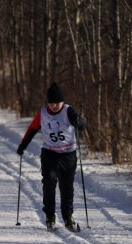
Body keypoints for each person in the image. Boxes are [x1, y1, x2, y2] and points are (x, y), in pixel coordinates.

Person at [16, 82, 86, 232]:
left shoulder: (68, 111)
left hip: (68, 155)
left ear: (63, 101)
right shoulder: (42, 113)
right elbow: (32, 129)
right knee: (49, 182)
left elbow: (82, 125)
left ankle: (67, 217)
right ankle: (50, 217)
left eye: (57, 102)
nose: (54, 105)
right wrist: (23, 146)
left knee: (66, 187)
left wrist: (79, 122)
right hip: (50, 153)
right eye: (52, 102)